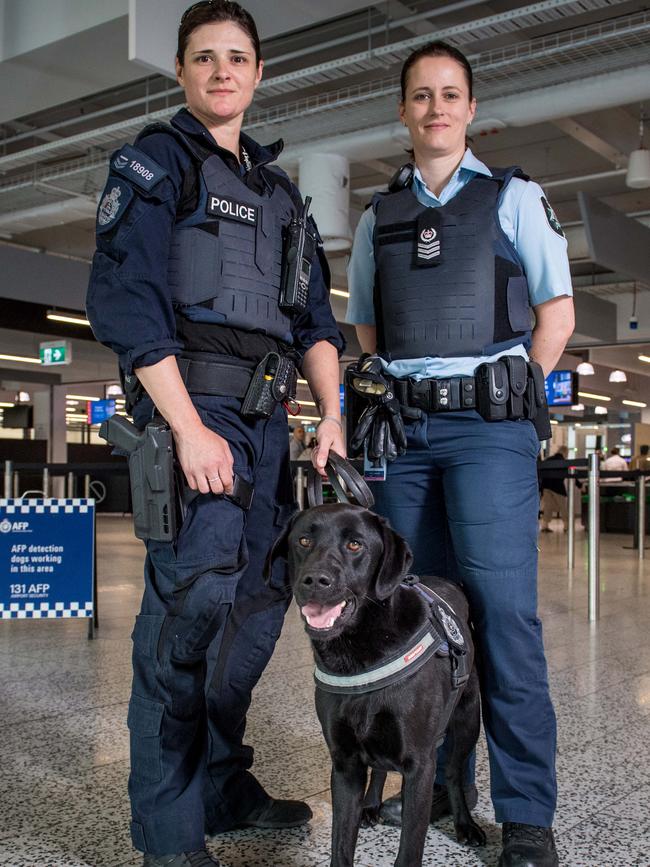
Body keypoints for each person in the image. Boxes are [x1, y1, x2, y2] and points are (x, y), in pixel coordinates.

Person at [86, 3, 345, 865]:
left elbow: (314, 323)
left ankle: (223, 779)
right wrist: (187, 427)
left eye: (237, 57)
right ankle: (169, 835)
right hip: (198, 411)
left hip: (273, 429)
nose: (222, 71)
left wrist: (330, 417)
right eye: (204, 57)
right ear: (182, 71)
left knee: (260, 608)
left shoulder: (279, 195)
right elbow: (129, 309)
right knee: (189, 617)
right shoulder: (158, 162)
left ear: (259, 73)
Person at [345, 40, 574, 867]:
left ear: (471, 109)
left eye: (450, 95)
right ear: (403, 110)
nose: (436, 108)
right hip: (402, 438)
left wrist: (525, 385)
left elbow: (556, 309)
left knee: (503, 618)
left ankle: (526, 815)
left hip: (488, 433)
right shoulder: (378, 217)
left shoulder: (515, 197)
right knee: (413, 617)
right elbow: (369, 328)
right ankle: (440, 783)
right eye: (420, 96)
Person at [540, 446, 569, 532]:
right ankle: (566, 526)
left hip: (546, 486)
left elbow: (542, 473)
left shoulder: (548, 460)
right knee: (563, 507)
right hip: (557, 487)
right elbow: (567, 474)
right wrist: (579, 485)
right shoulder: (564, 462)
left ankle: (544, 526)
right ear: (565, 453)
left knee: (548, 507)